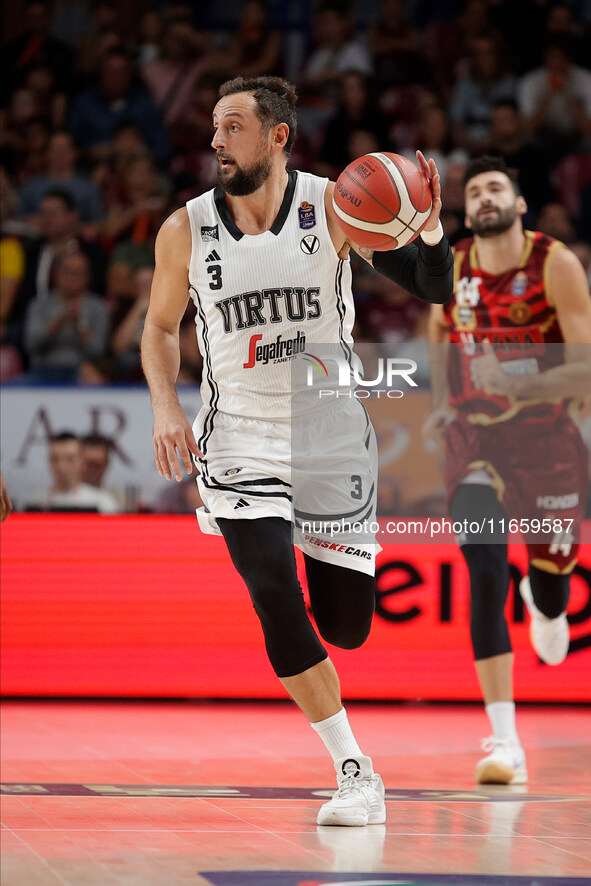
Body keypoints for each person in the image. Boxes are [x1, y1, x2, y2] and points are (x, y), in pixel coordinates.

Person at [141, 75, 452, 826]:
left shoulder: (334, 205)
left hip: (329, 438)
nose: (216, 140)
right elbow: (157, 329)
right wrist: (164, 408)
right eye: (214, 127)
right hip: (237, 439)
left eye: (233, 126)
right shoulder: (185, 229)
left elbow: (434, 289)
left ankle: (329, 650)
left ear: (277, 136)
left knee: (344, 626)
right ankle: (355, 771)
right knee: (273, 593)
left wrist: (431, 232)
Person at [425, 155, 591, 786]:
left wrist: (521, 375)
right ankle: (504, 740)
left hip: (546, 438)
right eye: (475, 191)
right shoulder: (457, 264)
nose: (485, 196)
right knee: (485, 567)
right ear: (467, 212)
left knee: (551, 581)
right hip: (475, 438)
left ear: (520, 204)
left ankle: (548, 605)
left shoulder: (555, 263)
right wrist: (444, 399)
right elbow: (440, 327)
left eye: (497, 186)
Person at [27, 432, 119, 513]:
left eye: (69, 459)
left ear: (82, 462)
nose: (61, 465)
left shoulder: (103, 503)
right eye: (55, 459)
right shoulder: (34, 503)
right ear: (49, 461)